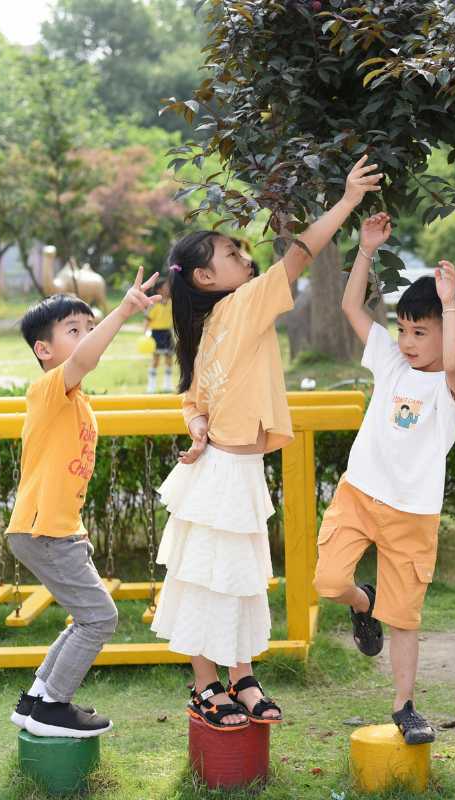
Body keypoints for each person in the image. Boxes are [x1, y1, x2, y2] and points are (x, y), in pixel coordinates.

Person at [152, 156, 382, 730]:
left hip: (236, 473)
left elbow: (195, 400)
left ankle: (240, 678)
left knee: (235, 584)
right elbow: (300, 252)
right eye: (231, 254)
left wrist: (198, 423)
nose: (245, 257)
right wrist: (348, 202)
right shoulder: (228, 314)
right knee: (211, 584)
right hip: (219, 476)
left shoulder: (229, 313)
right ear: (204, 278)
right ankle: (210, 686)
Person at [312, 212, 455, 745]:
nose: (406, 340)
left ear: (444, 330)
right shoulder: (389, 361)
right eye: (404, 329)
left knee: (404, 615)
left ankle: (405, 705)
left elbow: (453, 365)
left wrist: (449, 304)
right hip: (359, 494)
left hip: (413, 511)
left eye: (419, 332)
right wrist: (364, 250)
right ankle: (364, 604)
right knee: (329, 583)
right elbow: (349, 307)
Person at [8, 269, 161, 737]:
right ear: (44, 350)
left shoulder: (75, 399)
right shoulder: (51, 387)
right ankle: (54, 705)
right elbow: (86, 362)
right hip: (44, 530)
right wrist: (125, 310)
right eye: (75, 331)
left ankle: (36, 697)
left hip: (56, 530)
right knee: (100, 617)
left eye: (88, 329)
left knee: (87, 617)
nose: (87, 338)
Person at [145, 279, 174, 392]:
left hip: (168, 333)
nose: (168, 288)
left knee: (169, 357)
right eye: (166, 286)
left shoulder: (172, 302)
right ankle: (151, 386)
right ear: (159, 290)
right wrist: (145, 334)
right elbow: (147, 320)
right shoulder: (154, 305)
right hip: (156, 333)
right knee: (156, 359)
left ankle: (168, 384)